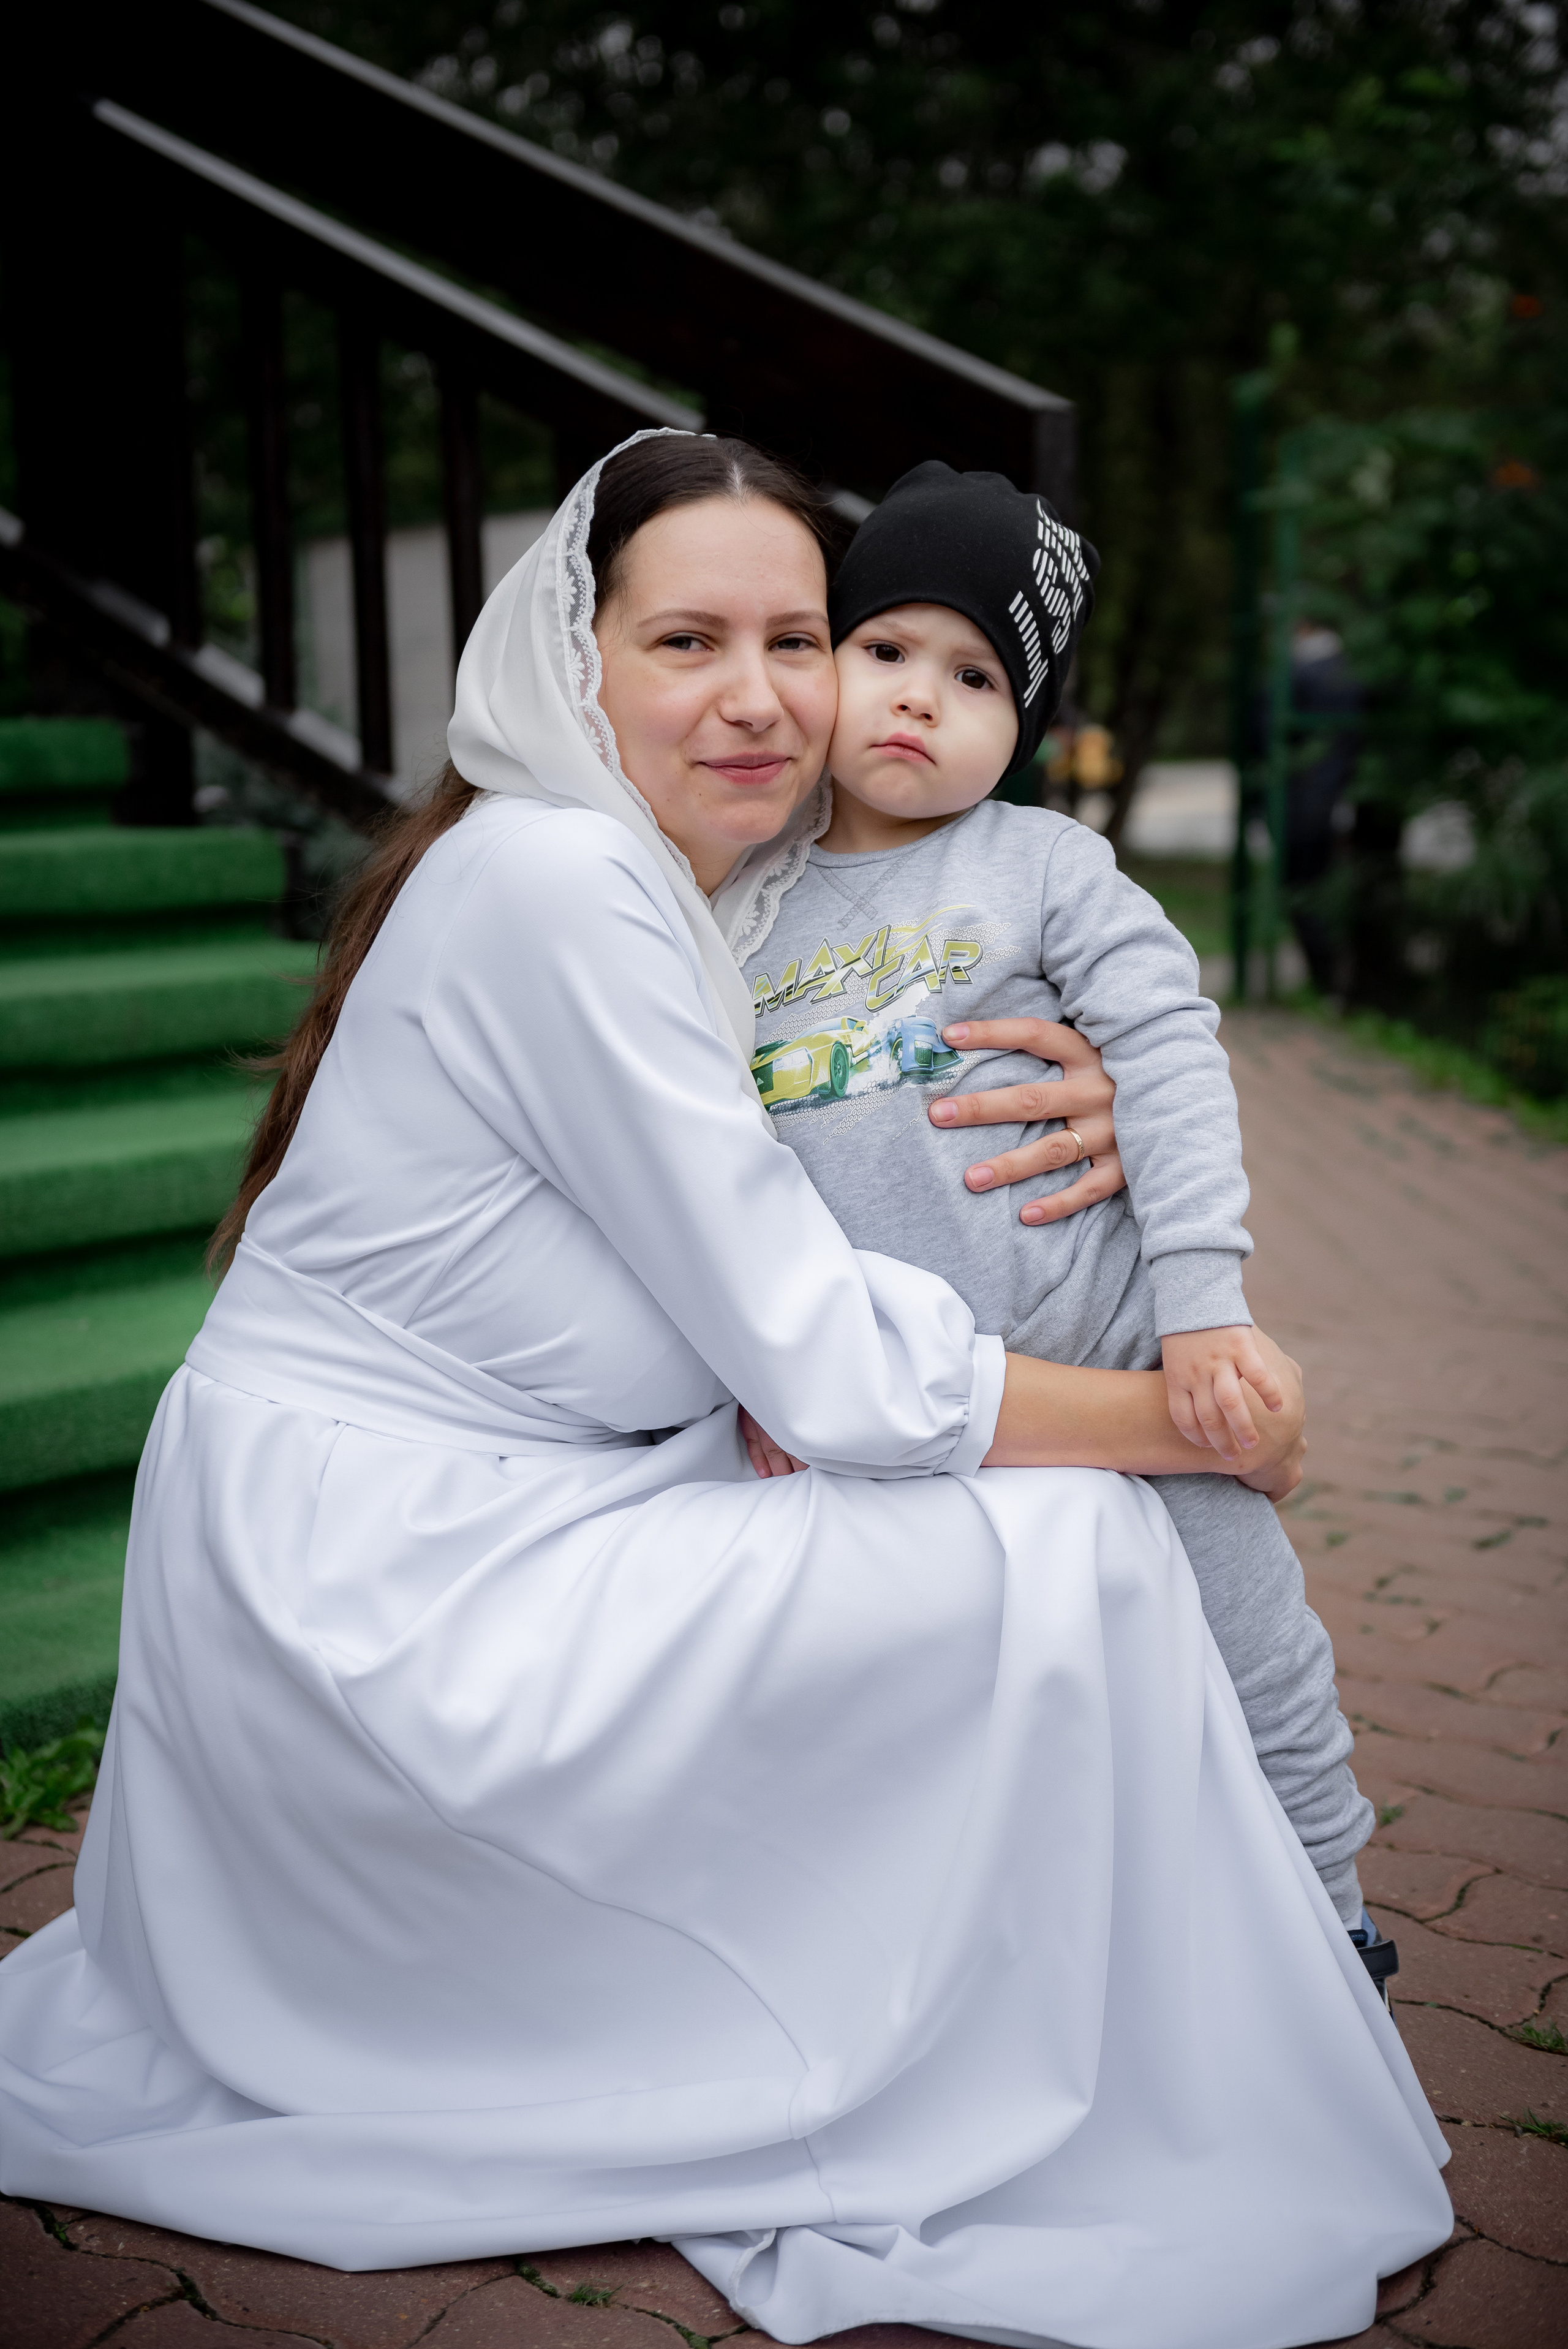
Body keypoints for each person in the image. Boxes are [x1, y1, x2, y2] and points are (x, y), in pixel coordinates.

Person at [0, 431, 1449, 2347]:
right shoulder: (561, 889)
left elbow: (826, 1172)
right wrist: (1189, 1416)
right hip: (379, 1581)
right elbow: (817, 1340)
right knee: (1072, 1542)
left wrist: (1075, 1086)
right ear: (569, 659)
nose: (765, 696)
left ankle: (1012, 1988)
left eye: (799, 636)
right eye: (690, 639)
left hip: (477, 1506)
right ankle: (1028, 2032)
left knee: (979, 1533)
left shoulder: (688, 903)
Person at [730, 461, 1389, 1975]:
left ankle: (1327, 1899)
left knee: (1246, 1623)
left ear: (1020, 723)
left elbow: (1164, 1050)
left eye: (971, 675)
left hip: (1101, 1338)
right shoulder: (740, 902)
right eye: (881, 649)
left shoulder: (1040, 868)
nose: (914, 699)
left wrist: (1206, 1301)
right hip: (888, 1385)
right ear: (822, 659)